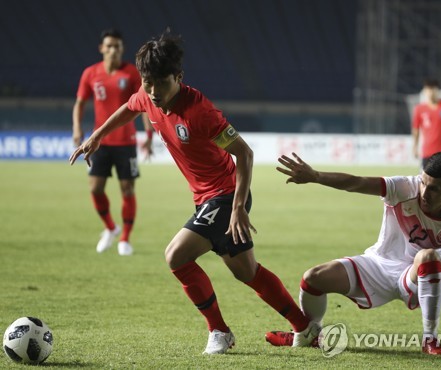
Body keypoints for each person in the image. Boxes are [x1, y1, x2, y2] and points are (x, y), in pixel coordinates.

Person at [69, 30, 316, 355]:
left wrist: (239, 207)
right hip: (208, 199)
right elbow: (130, 107)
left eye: (161, 82)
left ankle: (219, 331)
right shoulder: (148, 96)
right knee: (247, 272)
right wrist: (98, 134)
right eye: (147, 82)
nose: (153, 92)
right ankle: (306, 328)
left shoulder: (199, 111)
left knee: (177, 255)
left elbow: (244, 154)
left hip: (227, 196)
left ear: (179, 77)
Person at [265, 151, 441, 355]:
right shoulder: (403, 187)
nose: (424, 192)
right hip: (378, 264)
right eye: (423, 182)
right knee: (313, 278)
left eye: (433, 188)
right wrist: (315, 176)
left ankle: (430, 339)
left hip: (418, 278)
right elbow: (356, 182)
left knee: (429, 255)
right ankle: (309, 334)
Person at [72, 29, 153, 256]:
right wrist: (77, 128)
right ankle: (111, 227)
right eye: (109, 46)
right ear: (101, 48)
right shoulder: (91, 73)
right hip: (100, 142)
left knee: (127, 189)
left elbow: (144, 103)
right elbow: (80, 103)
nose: (113, 50)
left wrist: (148, 134)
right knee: (96, 188)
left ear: (122, 49)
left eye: (117, 46)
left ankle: (125, 238)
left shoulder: (131, 73)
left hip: (126, 142)